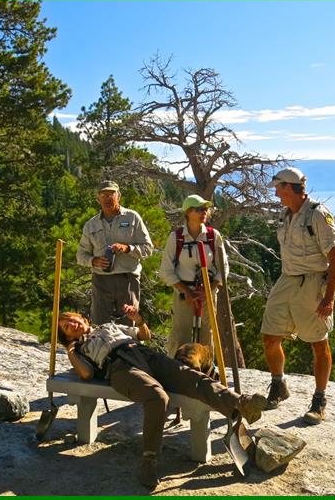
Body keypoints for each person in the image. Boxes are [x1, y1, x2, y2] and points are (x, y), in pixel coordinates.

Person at [57, 305, 266, 489]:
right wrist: (71, 351)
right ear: (68, 337)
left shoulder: (108, 326)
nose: (72, 324)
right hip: (119, 368)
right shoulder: (79, 349)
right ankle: (149, 459)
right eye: (66, 327)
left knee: (191, 376)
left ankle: (241, 403)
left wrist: (138, 320)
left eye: (71, 319)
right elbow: (86, 374)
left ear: (82, 318)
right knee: (157, 397)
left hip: (146, 354)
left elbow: (144, 335)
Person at [260, 167, 335, 425]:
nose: (276, 193)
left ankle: (319, 400)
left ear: (288, 187)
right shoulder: (287, 215)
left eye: (278, 188)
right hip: (287, 280)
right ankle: (278, 384)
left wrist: (329, 298)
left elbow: (334, 255)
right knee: (270, 336)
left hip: (313, 282)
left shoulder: (317, 215)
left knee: (318, 342)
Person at [159, 194, 229, 358]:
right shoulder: (176, 237)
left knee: (206, 335)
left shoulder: (213, 236)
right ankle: (177, 369)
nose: (204, 212)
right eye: (199, 209)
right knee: (180, 334)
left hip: (208, 295)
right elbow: (165, 271)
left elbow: (223, 267)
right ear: (188, 212)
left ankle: (205, 372)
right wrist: (186, 291)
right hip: (184, 294)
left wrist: (209, 291)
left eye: (205, 209)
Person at [77, 180, 154, 326]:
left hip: (128, 279)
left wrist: (128, 248)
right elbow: (81, 255)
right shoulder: (90, 225)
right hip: (101, 281)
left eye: (111, 194)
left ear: (118, 196)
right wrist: (94, 261)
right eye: (103, 195)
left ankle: (130, 349)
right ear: (98, 199)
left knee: (129, 325)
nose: (107, 198)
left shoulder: (132, 218)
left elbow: (148, 248)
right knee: (100, 326)